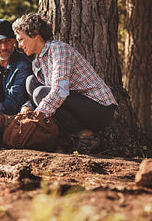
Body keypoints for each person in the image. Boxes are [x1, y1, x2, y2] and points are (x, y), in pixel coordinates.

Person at [12, 13, 117, 153]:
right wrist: (26, 109)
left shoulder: (58, 49)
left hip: (99, 108)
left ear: (35, 33)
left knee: (41, 93)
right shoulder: (37, 62)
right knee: (31, 82)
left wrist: (37, 117)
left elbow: (59, 91)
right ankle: (64, 140)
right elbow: (45, 94)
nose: (19, 45)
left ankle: (86, 135)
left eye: (21, 39)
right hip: (76, 106)